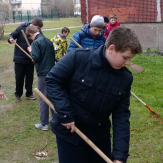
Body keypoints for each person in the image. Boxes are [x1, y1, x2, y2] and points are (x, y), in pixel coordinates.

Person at [46, 26, 142, 163]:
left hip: (99, 137)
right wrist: (65, 113)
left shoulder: (125, 79)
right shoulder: (77, 58)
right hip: (71, 134)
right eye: (125, 58)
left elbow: (121, 116)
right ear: (111, 49)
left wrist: (120, 155)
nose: (128, 63)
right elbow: (53, 80)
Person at [26, 25, 56, 131]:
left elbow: (36, 58)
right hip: (52, 71)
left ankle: (44, 123)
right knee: (52, 96)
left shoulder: (35, 43)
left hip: (43, 73)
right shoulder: (47, 40)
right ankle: (55, 119)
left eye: (30, 38)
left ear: (30, 34)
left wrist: (31, 51)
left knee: (43, 97)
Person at [8, 17, 43, 101]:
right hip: (19, 58)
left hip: (31, 58)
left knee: (29, 77)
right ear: (33, 25)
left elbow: (41, 41)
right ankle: (18, 94)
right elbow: (12, 34)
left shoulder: (38, 32)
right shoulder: (22, 28)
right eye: (37, 28)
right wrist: (10, 39)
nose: (38, 30)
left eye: (39, 29)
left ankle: (29, 93)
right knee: (19, 77)